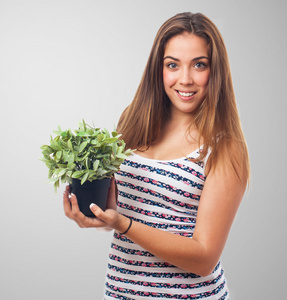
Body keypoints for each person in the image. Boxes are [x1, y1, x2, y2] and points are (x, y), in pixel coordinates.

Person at [63, 12, 250, 299]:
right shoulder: (134, 122)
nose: (185, 79)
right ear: (158, 68)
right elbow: (129, 214)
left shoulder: (224, 146)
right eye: (172, 65)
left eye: (199, 65)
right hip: (121, 292)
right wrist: (99, 215)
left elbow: (203, 259)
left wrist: (122, 223)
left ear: (215, 71)